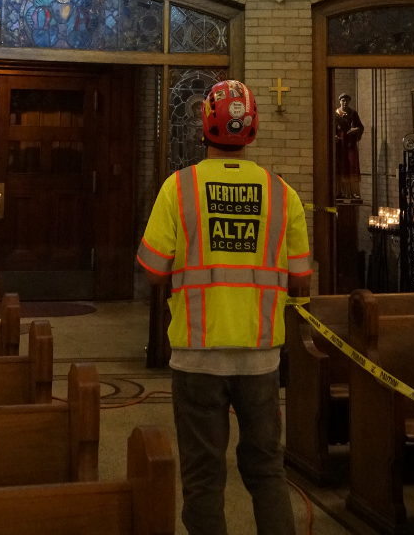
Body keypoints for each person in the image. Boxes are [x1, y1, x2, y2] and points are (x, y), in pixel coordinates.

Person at [137, 79, 312, 535]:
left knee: (202, 479)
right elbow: (301, 278)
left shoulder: (180, 189)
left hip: (197, 355)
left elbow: (153, 271)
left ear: (204, 127)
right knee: (267, 471)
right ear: (251, 130)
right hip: (260, 356)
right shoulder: (282, 195)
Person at [334, 92, 364, 201]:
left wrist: (356, 130)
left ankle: (353, 192)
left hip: (350, 144)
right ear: (340, 101)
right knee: (341, 167)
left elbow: (360, 126)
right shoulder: (335, 114)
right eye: (343, 100)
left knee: (352, 166)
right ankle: (340, 191)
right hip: (340, 145)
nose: (345, 103)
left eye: (346, 101)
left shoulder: (353, 114)